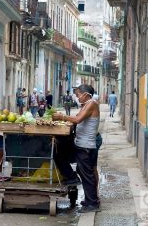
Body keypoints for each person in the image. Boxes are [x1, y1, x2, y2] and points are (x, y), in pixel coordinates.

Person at [53, 84, 100, 213]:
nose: (77, 97)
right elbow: (75, 120)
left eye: (78, 94)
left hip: (85, 145)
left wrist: (62, 117)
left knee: (87, 174)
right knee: (59, 153)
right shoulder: (86, 105)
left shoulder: (92, 104)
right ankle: (72, 178)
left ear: (85, 94)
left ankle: (92, 203)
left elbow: (78, 119)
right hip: (79, 143)